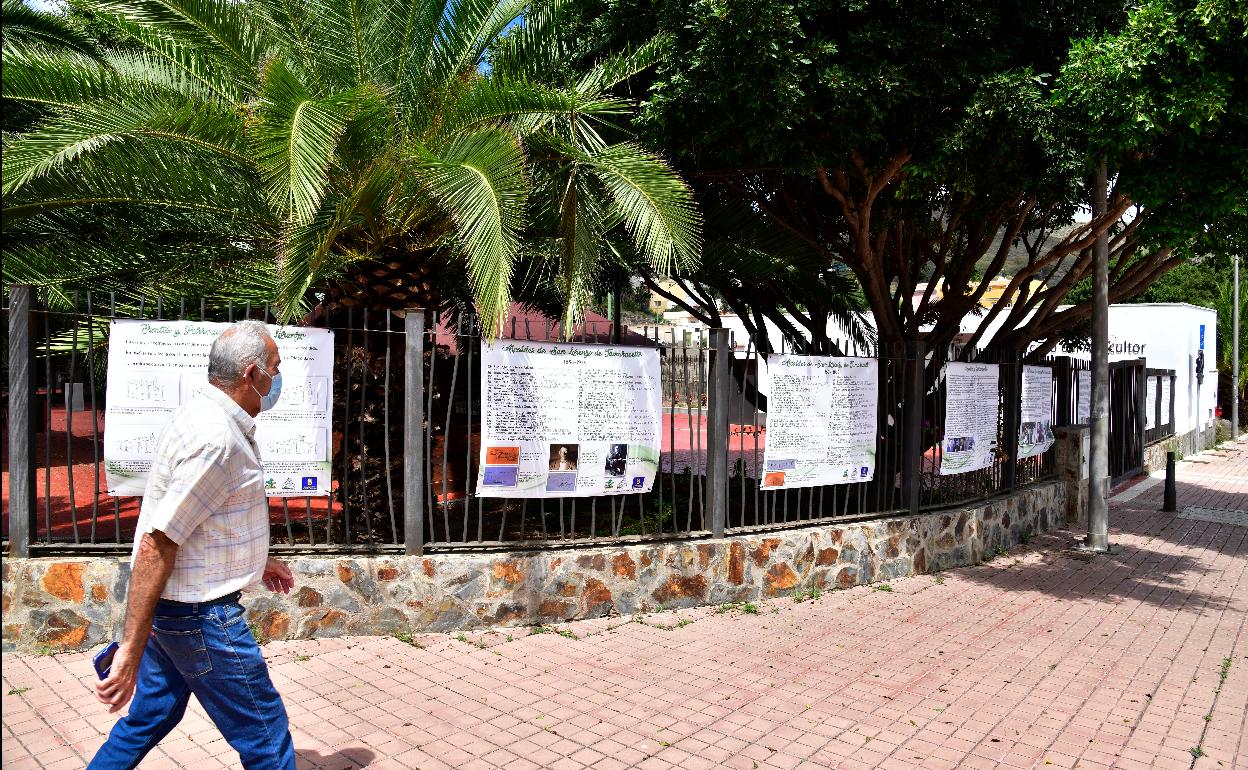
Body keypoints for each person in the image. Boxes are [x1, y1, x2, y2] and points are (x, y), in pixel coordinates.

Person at [89, 320, 297, 770]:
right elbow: (158, 542)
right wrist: (129, 648)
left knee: (150, 717)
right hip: (201, 616)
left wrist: (260, 559)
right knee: (266, 733)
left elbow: (204, 521)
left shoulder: (207, 417)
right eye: (275, 368)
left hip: (178, 610)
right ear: (251, 374)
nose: (278, 379)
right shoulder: (215, 439)